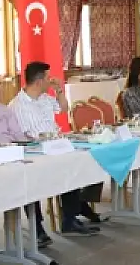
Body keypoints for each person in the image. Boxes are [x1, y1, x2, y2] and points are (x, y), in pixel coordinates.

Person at [9, 62, 101, 237]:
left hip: (56, 147)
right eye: (48, 78)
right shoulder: (18, 105)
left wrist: (59, 90)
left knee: (85, 158)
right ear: (39, 82)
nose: (51, 81)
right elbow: (23, 138)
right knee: (37, 176)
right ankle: (39, 226)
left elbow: (63, 108)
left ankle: (72, 216)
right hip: (35, 153)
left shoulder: (44, 98)